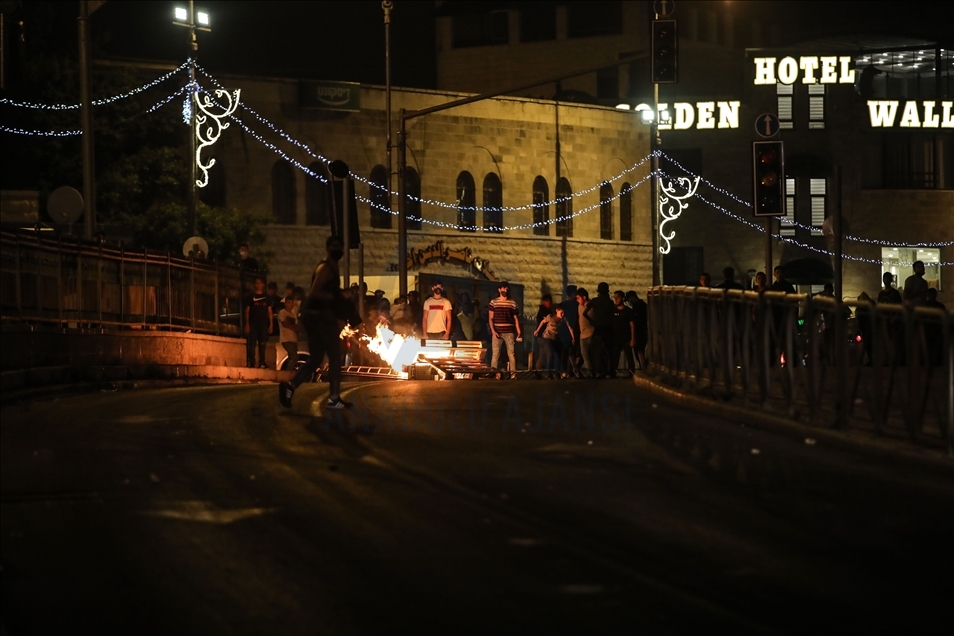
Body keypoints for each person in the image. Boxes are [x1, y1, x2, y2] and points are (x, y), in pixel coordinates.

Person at [279, 236, 356, 410]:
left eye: (341, 246)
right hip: (319, 317)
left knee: (315, 359)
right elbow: (315, 292)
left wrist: (342, 294)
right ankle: (334, 398)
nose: (339, 250)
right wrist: (337, 297)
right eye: (335, 246)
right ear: (328, 248)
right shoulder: (325, 268)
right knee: (335, 356)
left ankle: (290, 387)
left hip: (317, 317)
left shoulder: (333, 267)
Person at [489, 281, 522, 373]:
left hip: (509, 331)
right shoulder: (493, 302)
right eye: (503, 288)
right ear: (499, 290)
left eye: (506, 288)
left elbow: (515, 318)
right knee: (495, 354)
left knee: (511, 354)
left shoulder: (512, 303)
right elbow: (491, 318)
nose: (505, 290)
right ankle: (493, 373)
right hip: (497, 331)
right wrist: (493, 331)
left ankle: (513, 374)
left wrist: (518, 331)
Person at [583, 282, 615, 377]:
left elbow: (584, 313)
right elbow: (612, 315)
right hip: (608, 327)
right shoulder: (610, 302)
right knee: (609, 351)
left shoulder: (594, 301)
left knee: (596, 350)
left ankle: (598, 371)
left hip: (598, 328)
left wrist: (592, 321)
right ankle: (609, 371)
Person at [244, 276, 272, 368]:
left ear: (263, 284)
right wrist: (247, 323)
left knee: (262, 343)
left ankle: (262, 362)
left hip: (263, 324)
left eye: (260, 283)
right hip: (253, 323)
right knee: (252, 344)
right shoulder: (251, 296)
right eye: (257, 283)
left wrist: (271, 324)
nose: (258, 285)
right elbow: (247, 310)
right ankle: (252, 362)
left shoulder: (267, 297)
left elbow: (269, 311)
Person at [534, 305, 566, 377]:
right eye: (561, 312)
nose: (562, 314)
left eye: (563, 313)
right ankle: (549, 372)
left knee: (542, 356)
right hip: (546, 338)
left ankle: (537, 371)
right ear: (557, 311)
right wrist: (537, 330)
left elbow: (569, 327)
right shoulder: (551, 317)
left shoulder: (563, 320)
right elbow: (543, 322)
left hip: (554, 339)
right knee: (550, 354)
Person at [611, 290, 636, 376]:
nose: (616, 300)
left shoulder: (628, 311)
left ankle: (631, 371)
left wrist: (633, 339)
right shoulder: (613, 310)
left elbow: (632, 325)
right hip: (615, 337)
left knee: (629, 355)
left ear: (622, 298)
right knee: (615, 356)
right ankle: (613, 372)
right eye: (614, 298)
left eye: (617, 298)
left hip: (626, 337)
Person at [576, 288, 595, 376]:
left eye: (578, 298)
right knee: (584, 355)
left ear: (584, 297)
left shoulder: (591, 307)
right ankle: (590, 372)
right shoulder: (579, 306)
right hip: (582, 334)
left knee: (590, 355)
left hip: (591, 332)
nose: (577, 300)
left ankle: (593, 372)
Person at [278, 296, 299, 370]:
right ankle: (288, 372)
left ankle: (288, 374)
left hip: (293, 339)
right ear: (285, 303)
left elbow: (296, 325)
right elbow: (285, 324)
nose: (291, 305)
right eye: (289, 303)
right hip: (286, 339)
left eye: (292, 303)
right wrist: (294, 328)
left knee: (291, 357)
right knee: (294, 357)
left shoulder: (293, 313)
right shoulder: (282, 312)